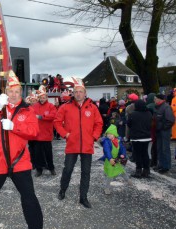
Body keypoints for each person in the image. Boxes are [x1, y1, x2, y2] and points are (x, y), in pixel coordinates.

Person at [0, 70, 46, 229]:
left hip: (19, 161)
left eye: (17, 91)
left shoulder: (27, 110)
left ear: (20, 93)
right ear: (5, 92)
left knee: (29, 197)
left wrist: (14, 126)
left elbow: (33, 132)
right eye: (11, 91)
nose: (14, 94)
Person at [54, 78, 103, 208]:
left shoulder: (92, 108)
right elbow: (57, 122)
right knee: (68, 169)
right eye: (76, 91)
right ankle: (63, 190)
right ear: (73, 93)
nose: (78, 94)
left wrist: (94, 136)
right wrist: (65, 134)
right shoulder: (65, 107)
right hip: (72, 145)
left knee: (86, 172)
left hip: (87, 145)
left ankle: (83, 197)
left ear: (85, 93)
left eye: (81, 91)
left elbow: (99, 123)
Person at [32, 85, 57, 177]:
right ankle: (39, 170)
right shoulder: (34, 106)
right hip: (37, 135)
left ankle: (51, 168)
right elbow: (30, 116)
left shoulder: (51, 106)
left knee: (48, 154)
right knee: (38, 154)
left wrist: (41, 117)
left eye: (43, 97)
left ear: (46, 97)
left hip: (47, 135)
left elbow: (53, 116)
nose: (42, 99)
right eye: (40, 97)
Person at [100, 124, 131, 195]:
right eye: (108, 134)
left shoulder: (118, 140)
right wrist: (110, 158)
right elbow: (106, 150)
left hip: (117, 159)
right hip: (109, 160)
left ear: (114, 134)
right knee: (110, 174)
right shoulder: (106, 142)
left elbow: (122, 148)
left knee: (121, 170)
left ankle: (127, 180)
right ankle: (107, 188)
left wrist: (123, 154)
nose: (109, 136)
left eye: (111, 134)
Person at [127, 100, 152, 178]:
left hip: (136, 137)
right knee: (145, 153)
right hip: (146, 137)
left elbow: (129, 124)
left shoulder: (133, 114)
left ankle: (138, 170)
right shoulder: (149, 113)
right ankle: (146, 170)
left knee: (137, 154)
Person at [154, 94, 174, 174]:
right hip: (159, 131)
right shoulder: (158, 107)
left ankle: (166, 166)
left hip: (164, 131)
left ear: (160, 99)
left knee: (165, 149)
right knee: (159, 148)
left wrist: (163, 127)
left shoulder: (166, 107)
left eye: (155, 99)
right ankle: (161, 164)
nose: (154, 100)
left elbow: (170, 120)